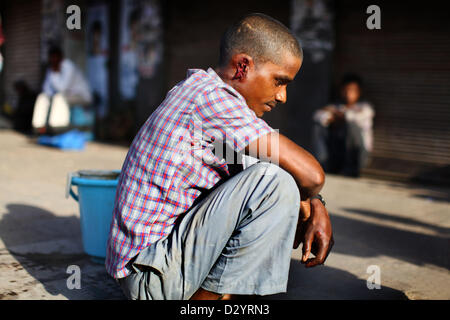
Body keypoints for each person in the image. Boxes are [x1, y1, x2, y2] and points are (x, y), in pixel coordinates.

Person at [106, 13, 334, 300]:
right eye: (279, 81)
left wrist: (314, 204)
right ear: (242, 67)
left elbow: (265, 167)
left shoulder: (199, 94)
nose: (282, 96)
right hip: (151, 279)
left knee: (273, 178)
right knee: (273, 184)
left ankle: (219, 293)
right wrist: (311, 198)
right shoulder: (214, 100)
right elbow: (312, 175)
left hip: (150, 270)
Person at [313, 74, 375, 176]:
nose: (348, 94)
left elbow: (351, 117)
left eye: (352, 90)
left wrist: (337, 115)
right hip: (337, 154)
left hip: (358, 156)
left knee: (351, 126)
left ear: (359, 92)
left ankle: (351, 168)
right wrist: (332, 117)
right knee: (319, 127)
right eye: (345, 90)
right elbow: (318, 116)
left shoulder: (365, 108)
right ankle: (324, 163)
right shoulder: (336, 106)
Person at [31, 46, 92, 133]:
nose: (53, 60)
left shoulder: (68, 66)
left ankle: (57, 128)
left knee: (59, 98)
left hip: (81, 96)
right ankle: (39, 128)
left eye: (55, 57)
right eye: (51, 58)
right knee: (42, 97)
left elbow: (62, 88)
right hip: (66, 95)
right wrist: (48, 95)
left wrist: (55, 73)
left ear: (61, 57)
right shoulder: (52, 68)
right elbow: (46, 89)